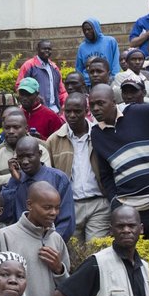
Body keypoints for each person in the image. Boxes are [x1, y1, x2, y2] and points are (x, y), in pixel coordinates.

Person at [91, 85, 149, 246]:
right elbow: (106, 174)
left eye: (100, 103)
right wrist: (115, 202)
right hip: (129, 210)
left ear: (114, 102)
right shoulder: (96, 134)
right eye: (91, 105)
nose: (95, 108)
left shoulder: (140, 112)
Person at [46, 92, 109, 243]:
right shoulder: (54, 140)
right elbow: (50, 175)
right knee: (74, 254)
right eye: (68, 111)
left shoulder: (99, 134)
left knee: (95, 252)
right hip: (69, 205)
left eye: (77, 111)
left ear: (87, 112)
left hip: (98, 204)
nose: (72, 115)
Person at [0, 134, 73, 242]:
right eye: (20, 157)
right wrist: (15, 181)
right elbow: (5, 215)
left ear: (39, 154)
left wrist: (51, 243)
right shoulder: (15, 180)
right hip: (20, 243)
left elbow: (66, 220)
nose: (25, 162)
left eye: (29, 156)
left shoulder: (58, 178)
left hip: (49, 244)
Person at [0, 110, 50, 191]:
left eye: (16, 127)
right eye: (7, 128)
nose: (11, 131)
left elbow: (45, 179)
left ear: (26, 129)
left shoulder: (39, 149)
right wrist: (15, 177)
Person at [16, 40, 67, 113]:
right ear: (37, 50)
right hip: (36, 111)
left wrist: (64, 106)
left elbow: (62, 91)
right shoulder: (29, 66)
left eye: (49, 49)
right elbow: (19, 87)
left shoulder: (54, 68)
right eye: (44, 49)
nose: (47, 51)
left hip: (55, 111)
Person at [76, 18, 121, 86]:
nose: (87, 32)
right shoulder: (82, 47)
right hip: (88, 84)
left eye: (89, 29)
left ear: (96, 28)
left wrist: (113, 78)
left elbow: (116, 62)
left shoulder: (110, 41)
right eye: (84, 30)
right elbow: (79, 68)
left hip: (108, 82)